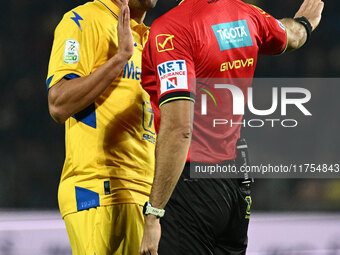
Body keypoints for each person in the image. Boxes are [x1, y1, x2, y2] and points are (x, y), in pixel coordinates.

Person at [139, 0, 324, 254]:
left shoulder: (171, 30)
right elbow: (293, 36)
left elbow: (179, 129)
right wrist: (305, 23)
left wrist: (154, 213)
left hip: (190, 184)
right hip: (236, 180)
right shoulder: (246, 14)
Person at [46, 0, 157, 253]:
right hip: (98, 189)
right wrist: (120, 59)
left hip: (146, 198)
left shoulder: (154, 40)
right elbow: (58, 103)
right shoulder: (82, 20)